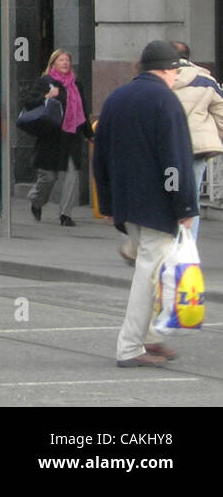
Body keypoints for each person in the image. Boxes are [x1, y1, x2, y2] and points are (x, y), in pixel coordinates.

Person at [93, 40, 198, 368]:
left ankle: (150, 338)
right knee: (149, 274)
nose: (176, 77)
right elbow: (174, 161)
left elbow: (101, 155)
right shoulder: (165, 101)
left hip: (128, 203)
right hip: (157, 205)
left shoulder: (116, 98)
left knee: (150, 270)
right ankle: (130, 346)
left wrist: (108, 202)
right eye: (175, 71)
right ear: (168, 69)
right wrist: (183, 205)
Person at [23, 49, 93, 227]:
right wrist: (47, 96)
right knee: (49, 177)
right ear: (53, 63)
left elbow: (82, 111)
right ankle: (36, 200)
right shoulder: (45, 82)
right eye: (61, 60)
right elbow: (29, 103)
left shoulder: (76, 84)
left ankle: (65, 214)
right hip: (51, 137)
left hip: (71, 137)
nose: (65, 63)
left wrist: (90, 135)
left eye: (67, 60)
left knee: (72, 175)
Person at [169, 41, 223, 240]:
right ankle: (188, 247)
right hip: (197, 150)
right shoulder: (205, 79)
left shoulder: (160, 79)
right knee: (192, 197)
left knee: (171, 192)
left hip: (170, 152)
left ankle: (170, 242)